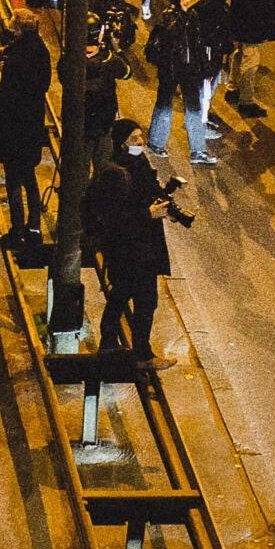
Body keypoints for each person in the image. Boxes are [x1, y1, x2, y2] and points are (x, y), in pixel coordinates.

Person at [86, 120, 176, 366]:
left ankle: (109, 345)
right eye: (135, 138)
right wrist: (148, 213)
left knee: (123, 294)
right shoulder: (116, 174)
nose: (141, 142)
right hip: (131, 249)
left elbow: (149, 192)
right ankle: (141, 354)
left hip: (141, 247)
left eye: (141, 137)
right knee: (145, 300)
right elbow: (114, 218)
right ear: (122, 142)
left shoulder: (139, 164)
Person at [0, 10, 51, 248]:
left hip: (13, 128)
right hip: (33, 124)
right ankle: (34, 227)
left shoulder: (14, 58)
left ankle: (16, 231)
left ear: (18, 29)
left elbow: (7, 96)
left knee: (13, 181)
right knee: (30, 179)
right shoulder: (42, 52)